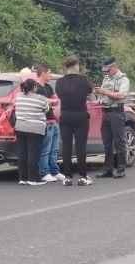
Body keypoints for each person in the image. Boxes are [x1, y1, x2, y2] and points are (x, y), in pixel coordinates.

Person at [56, 55, 94, 187]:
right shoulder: (84, 80)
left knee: (66, 147)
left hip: (65, 115)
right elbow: (90, 93)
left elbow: (60, 95)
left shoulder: (59, 82)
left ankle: (67, 177)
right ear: (76, 65)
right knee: (80, 146)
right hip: (80, 115)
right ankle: (83, 176)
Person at [95, 57, 130, 178]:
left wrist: (104, 92)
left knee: (119, 141)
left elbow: (121, 95)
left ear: (114, 67)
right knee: (107, 142)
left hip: (116, 112)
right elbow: (103, 95)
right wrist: (99, 96)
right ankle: (108, 169)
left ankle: (121, 168)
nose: (106, 73)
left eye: (108, 70)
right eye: (105, 71)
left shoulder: (123, 79)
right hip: (105, 112)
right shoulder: (106, 78)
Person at [14, 78, 49, 185]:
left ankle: (22, 178)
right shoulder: (41, 98)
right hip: (35, 129)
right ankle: (33, 179)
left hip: (20, 128)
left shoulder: (18, 96)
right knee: (33, 154)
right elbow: (46, 109)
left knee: (22, 153)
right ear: (34, 87)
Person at [35, 64, 64, 183]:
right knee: (45, 149)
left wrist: (51, 101)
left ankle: (54, 171)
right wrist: (50, 101)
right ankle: (44, 172)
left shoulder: (48, 87)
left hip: (53, 120)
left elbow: (55, 100)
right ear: (43, 73)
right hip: (44, 121)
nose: (51, 75)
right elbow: (41, 101)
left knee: (54, 149)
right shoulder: (36, 87)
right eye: (49, 73)